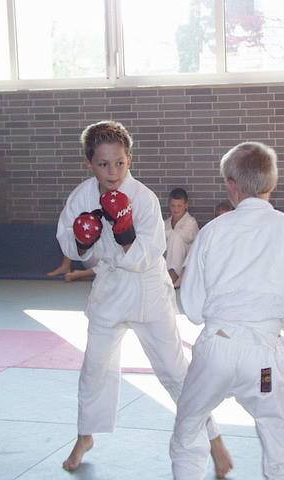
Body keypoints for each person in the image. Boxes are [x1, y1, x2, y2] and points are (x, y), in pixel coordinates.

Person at [56, 121, 231, 477]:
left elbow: (150, 253)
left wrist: (125, 233)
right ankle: (85, 434)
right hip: (109, 291)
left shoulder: (144, 198)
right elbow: (69, 244)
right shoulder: (81, 197)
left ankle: (214, 438)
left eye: (119, 163)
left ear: (130, 159)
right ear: (90, 163)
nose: (113, 172)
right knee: (94, 368)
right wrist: (82, 242)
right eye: (103, 164)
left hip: (148, 292)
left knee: (174, 371)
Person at [170, 141, 284, 480]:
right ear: (273, 181)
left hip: (216, 350)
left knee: (188, 429)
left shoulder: (212, 231)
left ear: (231, 185)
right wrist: (271, 322)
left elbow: (192, 307)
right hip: (264, 356)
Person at [164, 188, 199, 286]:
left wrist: (166, 234)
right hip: (165, 264)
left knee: (175, 236)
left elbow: (185, 237)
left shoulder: (191, 222)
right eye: (173, 206)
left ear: (186, 205)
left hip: (184, 266)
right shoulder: (165, 223)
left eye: (179, 206)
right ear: (169, 205)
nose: (176, 209)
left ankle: (173, 274)